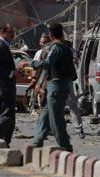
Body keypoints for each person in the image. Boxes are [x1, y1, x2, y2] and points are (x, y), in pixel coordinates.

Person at [30, 23, 76, 152]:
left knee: (56, 118)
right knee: (45, 115)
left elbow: (48, 63)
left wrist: (34, 63)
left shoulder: (56, 48)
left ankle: (65, 145)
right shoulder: (66, 47)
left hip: (56, 85)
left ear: (50, 35)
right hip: (58, 85)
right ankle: (37, 140)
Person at [33, 33, 85, 139]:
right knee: (50, 106)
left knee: (69, 105)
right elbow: (40, 66)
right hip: (51, 81)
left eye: (44, 42)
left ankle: (77, 129)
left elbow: (75, 59)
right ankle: (48, 129)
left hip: (61, 81)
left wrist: (35, 64)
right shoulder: (46, 50)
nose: (42, 44)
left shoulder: (65, 48)